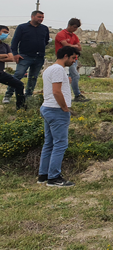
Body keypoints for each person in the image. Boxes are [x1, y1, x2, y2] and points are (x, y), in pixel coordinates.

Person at [38, 46, 79, 187]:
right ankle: (54, 177)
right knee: (60, 144)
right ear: (65, 56)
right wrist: (65, 108)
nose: (74, 61)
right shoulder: (58, 69)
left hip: (48, 108)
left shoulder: (49, 69)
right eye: (73, 58)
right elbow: (56, 92)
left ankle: (43, 174)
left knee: (49, 143)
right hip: (56, 110)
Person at [2, 10, 50, 104]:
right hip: (25, 56)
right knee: (18, 76)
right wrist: (15, 54)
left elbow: (46, 40)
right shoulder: (22, 27)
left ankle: (28, 96)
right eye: (39, 17)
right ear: (32, 17)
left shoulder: (44, 28)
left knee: (33, 78)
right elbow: (15, 42)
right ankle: (8, 95)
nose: (41, 19)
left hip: (39, 57)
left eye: (42, 17)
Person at [54, 18, 90, 103]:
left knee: (72, 76)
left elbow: (79, 47)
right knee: (72, 76)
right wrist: (74, 46)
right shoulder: (61, 34)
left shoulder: (74, 36)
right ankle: (75, 95)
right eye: (74, 27)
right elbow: (65, 45)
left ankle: (73, 95)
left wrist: (73, 46)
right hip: (64, 59)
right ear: (69, 25)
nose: (75, 29)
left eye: (77, 28)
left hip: (73, 59)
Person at [0, 25, 26, 109]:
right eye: (4, 32)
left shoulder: (5, 46)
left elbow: (11, 58)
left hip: (1, 73)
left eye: (7, 33)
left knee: (19, 85)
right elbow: (7, 56)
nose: (6, 34)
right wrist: (4, 55)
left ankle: (20, 107)